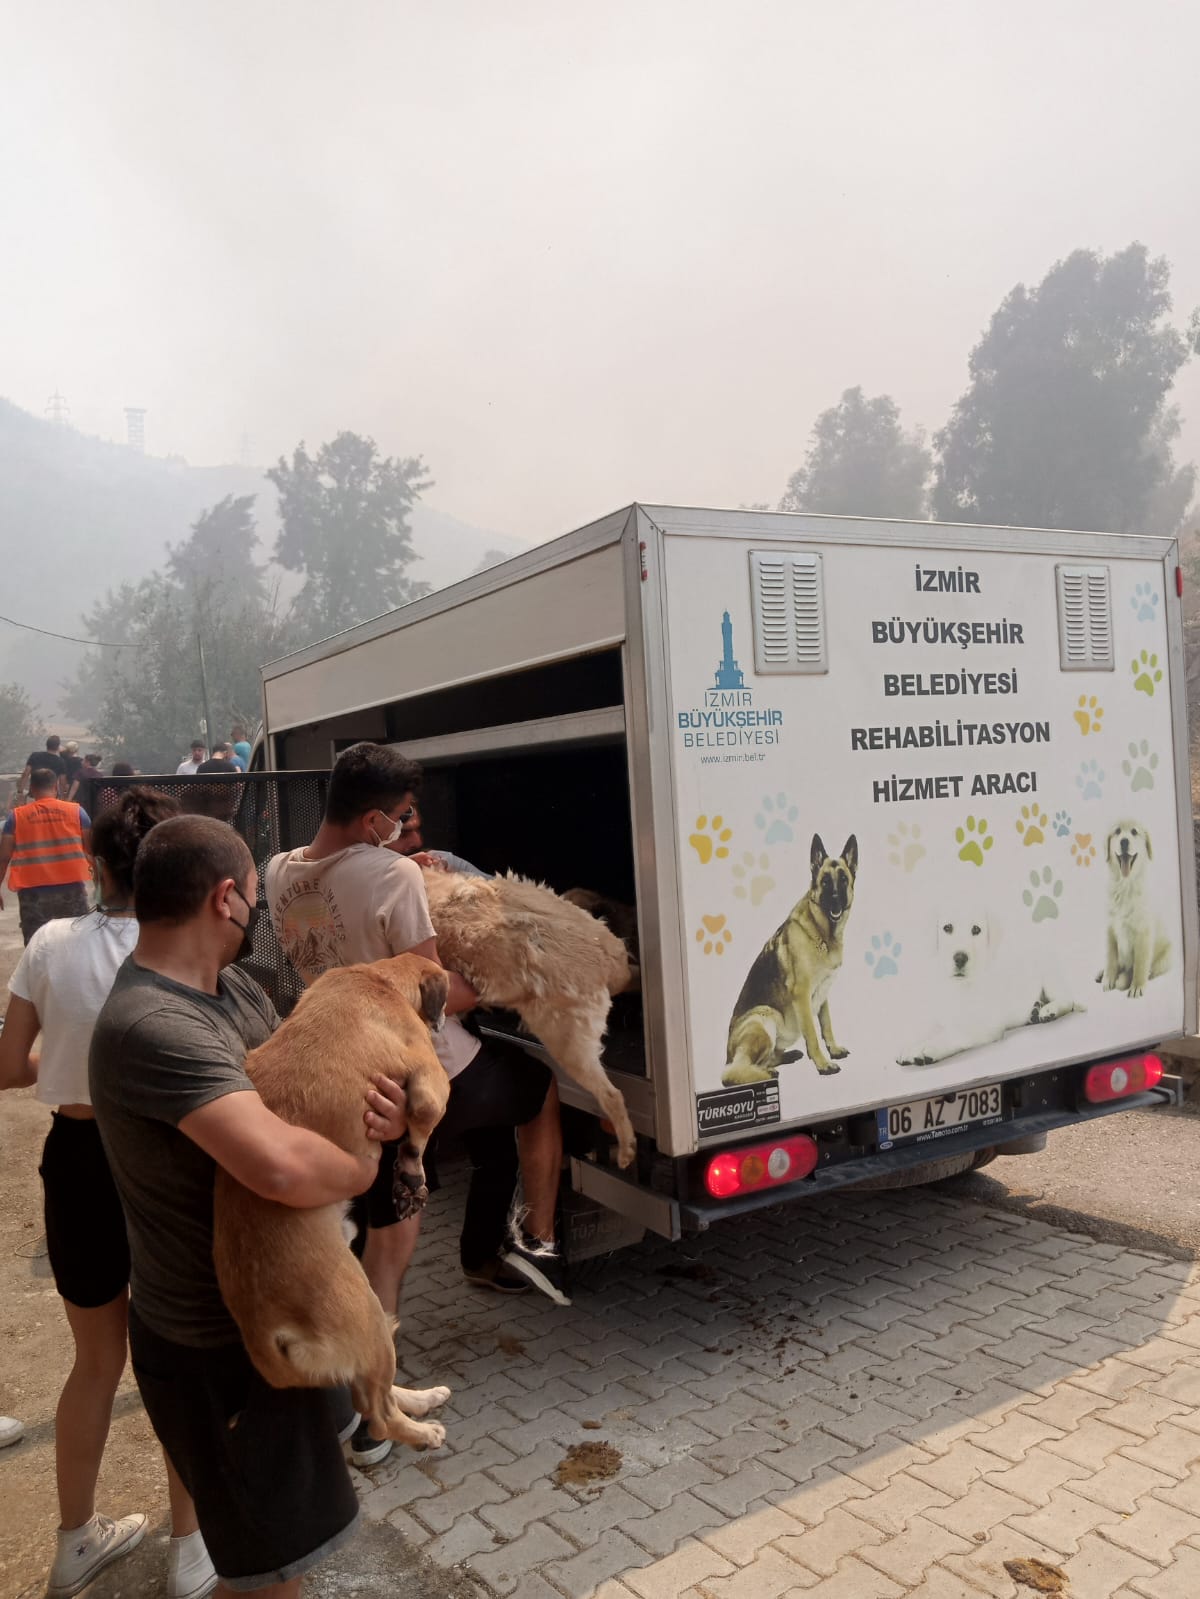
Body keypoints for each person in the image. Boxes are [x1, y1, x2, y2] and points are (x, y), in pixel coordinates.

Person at [89, 815, 409, 1597]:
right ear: (224, 897)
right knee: (267, 1576)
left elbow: (310, 1089)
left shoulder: (230, 989)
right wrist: (365, 1164)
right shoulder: (152, 1025)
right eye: (257, 901)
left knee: (282, 1553)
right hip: (215, 1349)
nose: (256, 915)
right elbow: (281, 1165)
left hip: (270, 1310)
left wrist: (388, 1111)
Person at [265, 746, 568, 1374]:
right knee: (535, 1088)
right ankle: (537, 1242)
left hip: (341, 1066)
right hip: (417, 1069)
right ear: (373, 818)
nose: (405, 828)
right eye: (401, 816)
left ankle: (478, 1258)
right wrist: (510, 976)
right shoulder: (391, 875)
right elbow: (435, 996)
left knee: (381, 1210)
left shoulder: (280, 871)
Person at [0, 787, 220, 1599]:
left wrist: (68, 1057)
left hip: (78, 1159)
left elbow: (7, 1066)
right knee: (178, 1360)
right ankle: (190, 1547)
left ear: (98, 865)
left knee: (95, 1361)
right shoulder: (185, 949)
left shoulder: (50, 942)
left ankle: (74, 1542)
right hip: (166, 1160)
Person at [0, 768, 92, 945]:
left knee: (36, 947)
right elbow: (92, 851)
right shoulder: (77, 812)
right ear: (56, 787)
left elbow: (4, 857)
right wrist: (102, 886)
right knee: (77, 944)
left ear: (32, 789)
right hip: (72, 891)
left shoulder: (16, 817)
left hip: (32, 895)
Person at [18, 735, 66, 800]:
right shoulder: (60, 761)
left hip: (34, 795)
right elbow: (62, 782)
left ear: (46, 745)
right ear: (57, 747)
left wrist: (20, 791)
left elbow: (26, 774)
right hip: (51, 797)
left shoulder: (35, 755)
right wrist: (62, 797)